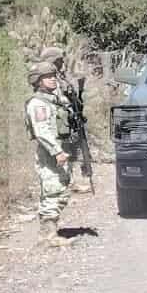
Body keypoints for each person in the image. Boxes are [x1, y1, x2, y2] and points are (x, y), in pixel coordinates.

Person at [26, 61, 74, 248]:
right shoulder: (37, 104)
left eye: (53, 75)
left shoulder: (53, 100)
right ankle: (47, 236)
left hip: (59, 150)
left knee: (62, 190)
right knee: (52, 190)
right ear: (37, 81)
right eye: (47, 77)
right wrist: (57, 151)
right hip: (50, 153)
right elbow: (42, 131)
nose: (52, 79)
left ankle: (50, 232)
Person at [39, 45, 93, 193]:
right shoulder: (46, 78)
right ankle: (61, 183)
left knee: (69, 150)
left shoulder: (60, 77)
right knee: (59, 151)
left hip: (66, 119)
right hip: (55, 121)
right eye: (59, 61)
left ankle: (69, 180)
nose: (62, 64)